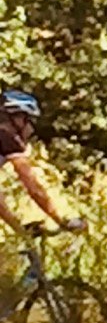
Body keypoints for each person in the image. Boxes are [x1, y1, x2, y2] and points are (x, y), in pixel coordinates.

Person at [0, 90, 85, 234]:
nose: (31, 128)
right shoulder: (8, 138)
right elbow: (33, 188)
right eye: (30, 121)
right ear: (17, 117)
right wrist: (61, 221)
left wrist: (18, 230)